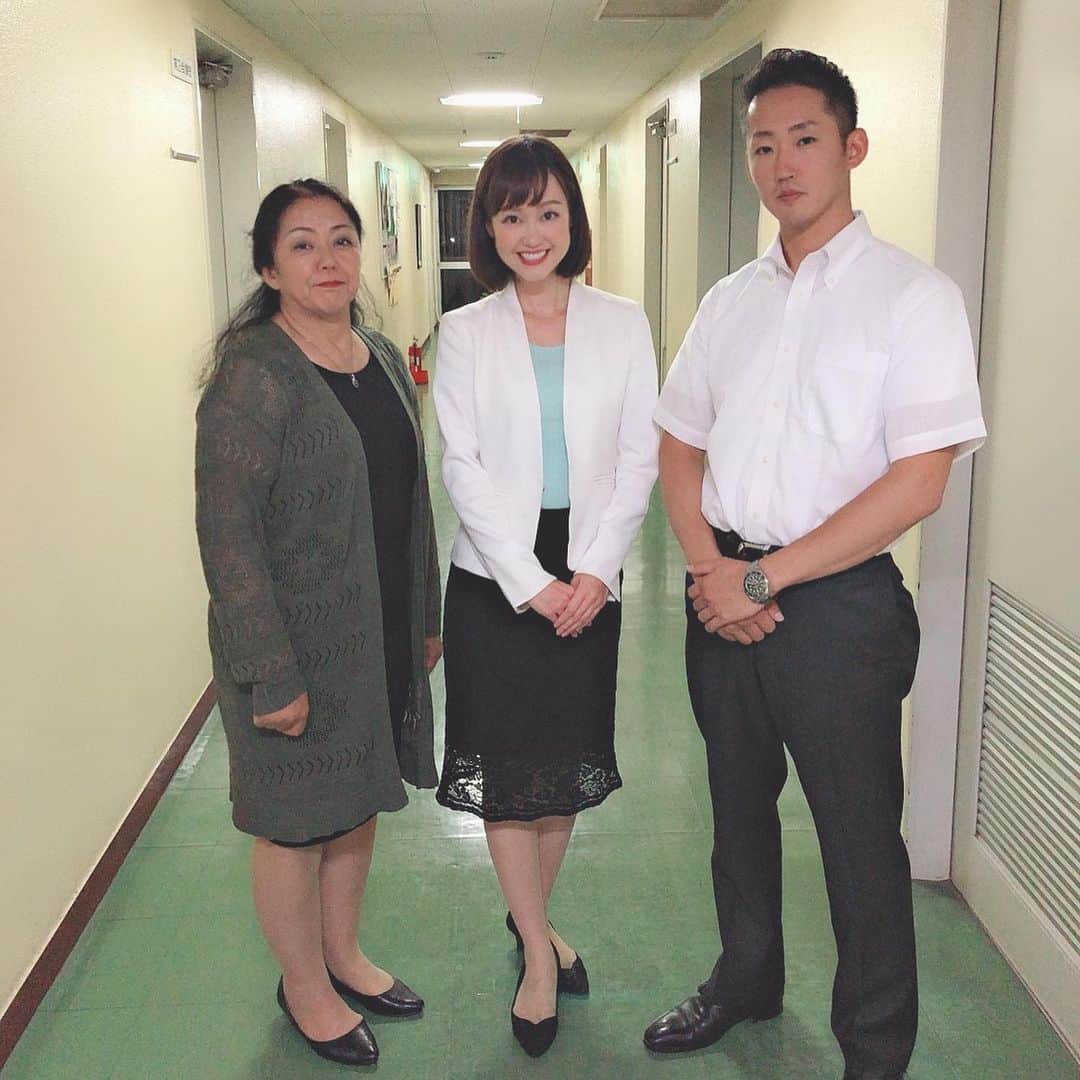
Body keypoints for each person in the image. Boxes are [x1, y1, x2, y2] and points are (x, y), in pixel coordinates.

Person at [642, 50, 987, 1079]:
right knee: (737, 814)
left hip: (838, 611)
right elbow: (679, 445)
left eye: (803, 139)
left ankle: (874, 1051)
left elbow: (918, 483)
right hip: (722, 593)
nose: (782, 164)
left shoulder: (914, 297)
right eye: (763, 146)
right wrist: (712, 570)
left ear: (852, 146)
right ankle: (747, 981)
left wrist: (765, 579)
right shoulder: (729, 301)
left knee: (858, 842)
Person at [195, 179, 442, 1068]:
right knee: (295, 822)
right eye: (301, 244)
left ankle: (344, 955)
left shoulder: (377, 356)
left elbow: (412, 498)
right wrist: (270, 673)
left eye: (341, 239)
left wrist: (424, 616)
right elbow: (227, 536)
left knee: (356, 796)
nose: (328, 259)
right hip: (294, 646)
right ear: (269, 268)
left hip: (374, 630)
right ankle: (303, 986)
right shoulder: (253, 375)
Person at [433, 135, 659, 1057]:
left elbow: (640, 457)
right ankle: (536, 950)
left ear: (574, 219)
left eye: (550, 212)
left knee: (561, 768)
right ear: (489, 229)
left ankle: (531, 917)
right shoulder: (464, 332)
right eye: (513, 214)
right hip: (495, 579)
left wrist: (596, 572)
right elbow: (461, 466)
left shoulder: (625, 323)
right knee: (506, 769)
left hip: (591, 569)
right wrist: (531, 584)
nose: (533, 233)